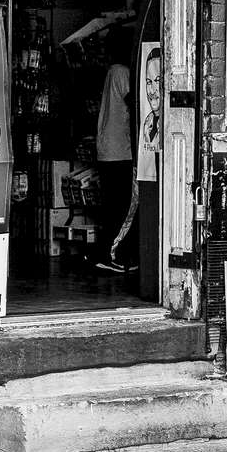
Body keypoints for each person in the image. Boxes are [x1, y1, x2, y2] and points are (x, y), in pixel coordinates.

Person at [92, 29, 135, 274]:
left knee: (112, 205)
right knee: (120, 206)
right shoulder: (122, 72)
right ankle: (110, 253)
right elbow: (135, 103)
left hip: (109, 148)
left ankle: (109, 253)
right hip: (120, 150)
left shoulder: (111, 72)